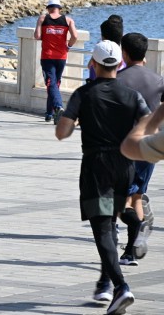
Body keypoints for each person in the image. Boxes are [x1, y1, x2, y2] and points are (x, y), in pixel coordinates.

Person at [56, 41, 148, 313]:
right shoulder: (132, 95)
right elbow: (149, 122)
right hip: (125, 164)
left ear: (92, 64)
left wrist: (73, 119)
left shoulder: (83, 94)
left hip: (97, 166)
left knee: (103, 228)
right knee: (115, 215)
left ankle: (120, 287)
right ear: (119, 64)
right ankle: (133, 224)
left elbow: (62, 132)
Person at [115, 32, 164, 264]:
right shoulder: (158, 80)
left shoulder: (118, 79)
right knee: (137, 195)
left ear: (124, 53)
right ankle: (134, 249)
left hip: (124, 146)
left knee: (121, 200)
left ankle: (130, 240)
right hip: (148, 146)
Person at [35, 0, 78, 122]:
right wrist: (68, 45)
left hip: (47, 57)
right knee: (54, 84)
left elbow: (37, 36)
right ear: (59, 9)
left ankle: (58, 107)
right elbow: (75, 36)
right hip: (61, 57)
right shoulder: (68, 20)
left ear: (48, 8)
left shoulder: (43, 18)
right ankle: (50, 113)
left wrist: (45, 31)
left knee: (51, 83)